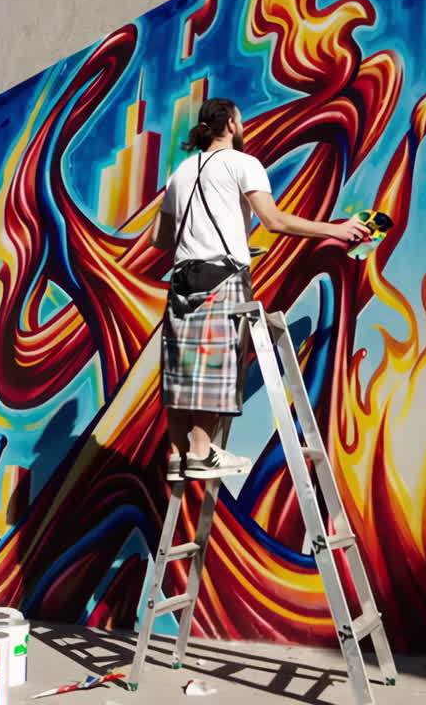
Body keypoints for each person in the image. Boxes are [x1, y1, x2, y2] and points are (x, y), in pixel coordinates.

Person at [150, 98, 370, 480]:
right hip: (223, 275)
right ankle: (201, 453)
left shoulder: (181, 173)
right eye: (241, 119)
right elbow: (273, 220)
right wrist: (335, 229)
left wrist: (214, 235)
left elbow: (160, 238)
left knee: (181, 366)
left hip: (184, 277)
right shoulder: (243, 163)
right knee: (214, 361)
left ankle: (177, 454)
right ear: (232, 125)